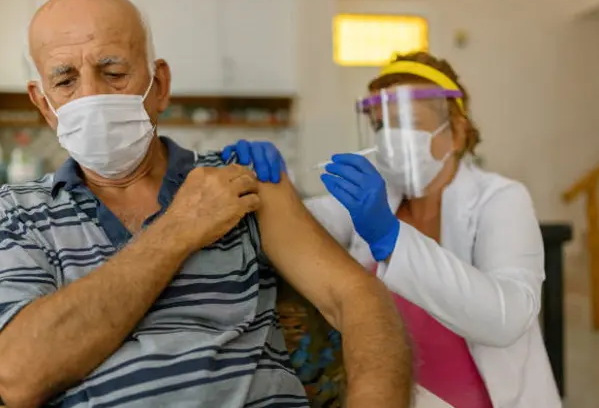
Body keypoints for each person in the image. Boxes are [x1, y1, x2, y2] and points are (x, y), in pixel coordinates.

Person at [0, 0, 413, 408]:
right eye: (65, 80)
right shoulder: (11, 214)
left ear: (159, 84)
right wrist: (180, 227)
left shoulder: (239, 180)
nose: (92, 97)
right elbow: (18, 374)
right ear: (44, 104)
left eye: (114, 72)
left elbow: (358, 299)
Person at [223, 51, 561, 408]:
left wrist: (391, 237)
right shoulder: (377, 196)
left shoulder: (501, 199)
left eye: (407, 123)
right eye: (382, 125)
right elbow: (302, 229)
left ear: (457, 133)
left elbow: (506, 319)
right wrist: (270, 188)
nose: (390, 138)